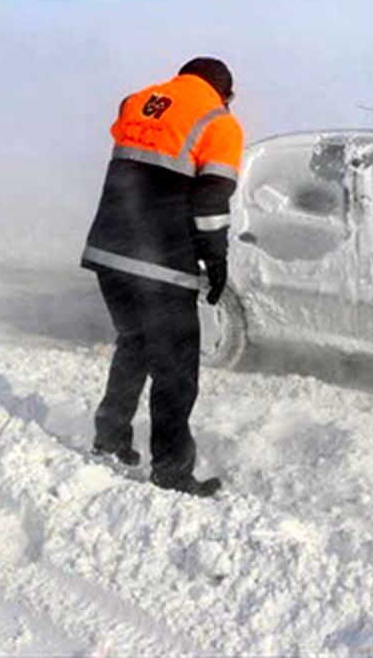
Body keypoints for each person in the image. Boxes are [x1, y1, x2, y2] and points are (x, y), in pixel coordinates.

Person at [81, 57, 244, 498]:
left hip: (107, 251)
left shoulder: (138, 101)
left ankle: (111, 438)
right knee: (175, 368)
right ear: (225, 93)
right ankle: (171, 471)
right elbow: (211, 202)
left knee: (134, 343)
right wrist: (216, 260)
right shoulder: (219, 122)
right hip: (160, 261)